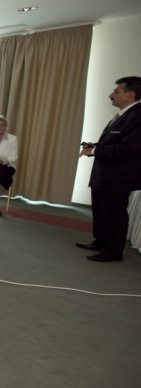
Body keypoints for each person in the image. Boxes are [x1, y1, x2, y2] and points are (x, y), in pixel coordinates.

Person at [76, 76, 141, 262]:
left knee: (114, 213)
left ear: (130, 94)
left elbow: (130, 148)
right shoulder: (124, 114)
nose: (111, 95)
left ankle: (113, 250)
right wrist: (94, 146)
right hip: (105, 174)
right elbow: (114, 142)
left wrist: (96, 150)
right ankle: (101, 241)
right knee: (101, 209)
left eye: (116, 91)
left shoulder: (137, 116)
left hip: (118, 177)